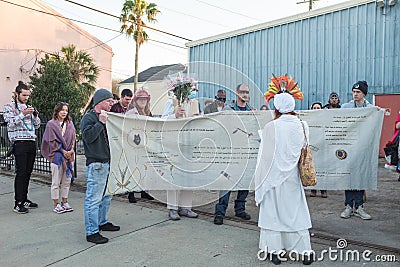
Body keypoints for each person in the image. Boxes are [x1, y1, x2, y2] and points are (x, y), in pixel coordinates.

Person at [255, 92, 313, 265]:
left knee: (272, 214)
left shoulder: (271, 127)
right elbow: (302, 146)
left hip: (273, 178)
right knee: (296, 213)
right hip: (292, 178)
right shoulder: (303, 125)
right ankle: (304, 252)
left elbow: (264, 156)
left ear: (277, 107)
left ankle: (275, 252)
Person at [81, 88, 120, 244]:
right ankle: (91, 232)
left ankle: (102, 221)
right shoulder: (89, 118)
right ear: (100, 102)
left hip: (108, 162)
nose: (111, 104)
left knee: (106, 196)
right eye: (109, 101)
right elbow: (88, 137)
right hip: (97, 164)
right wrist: (100, 122)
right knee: (93, 199)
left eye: (112, 101)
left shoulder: (108, 117)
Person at [213, 84, 253, 225]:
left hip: (246, 151)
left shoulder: (251, 111)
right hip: (231, 152)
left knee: (245, 181)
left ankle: (240, 209)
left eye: (247, 92)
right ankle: (220, 212)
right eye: (242, 92)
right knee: (227, 182)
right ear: (236, 93)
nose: (245, 94)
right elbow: (222, 127)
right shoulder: (228, 109)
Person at [161, 88, 199, 221]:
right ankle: (172, 208)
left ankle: (186, 207)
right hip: (174, 144)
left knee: (189, 176)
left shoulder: (195, 103)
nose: (190, 92)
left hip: (189, 144)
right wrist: (174, 116)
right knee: (174, 176)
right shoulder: (171, 103)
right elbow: (162, 120)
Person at [3, 81, 41, 214]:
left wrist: (35, 116)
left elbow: (36, 126)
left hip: (31, 142)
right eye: (24, 95)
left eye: (28, 96)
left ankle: (24, 199)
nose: (26, 98)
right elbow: (10, 124)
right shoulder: (9, 107)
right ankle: (18, 203)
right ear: (17, 94)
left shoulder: (29, 107)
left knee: (28, 173)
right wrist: (23, 113)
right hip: (19, 143)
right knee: (21, 173)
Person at [340, 81, 372, 220]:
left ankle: (359, 206)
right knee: (349, 175)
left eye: (358, 92)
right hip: (349, 147)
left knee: (360, 176)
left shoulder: (370, 108)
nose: (355, 94)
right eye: (353, 91)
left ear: (364, 94)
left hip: (363, 148)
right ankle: (348, 206)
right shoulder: (345, 107)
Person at [41, 102, 76, 214]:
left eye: (66, 110)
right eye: (62, 110)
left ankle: (64, 202)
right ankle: (56, 204)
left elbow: (74, 138)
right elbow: (50, 141)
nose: (64, 112)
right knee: (56, 182)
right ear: (57, 111)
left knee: (67, 181)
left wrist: (70, 150)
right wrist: (62, 151)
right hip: (57, 156)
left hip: (69, 156)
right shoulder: (51, 124)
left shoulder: (70, 124)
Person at [125, 89, 155, 202]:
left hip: (145, 144)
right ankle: (131, 193)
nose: (142, 101)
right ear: (136, 101)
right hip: (133, 144)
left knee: (144, 168)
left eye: (145, 99)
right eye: (140, 99)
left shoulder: (148, 112)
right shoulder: (131, 112)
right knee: (133, 169)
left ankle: (144, 191)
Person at [309, 102, 327, 198]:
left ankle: (323, 189)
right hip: (311, 147)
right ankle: (313, 189)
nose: (316, 109)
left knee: (322, 168)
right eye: (314, 107)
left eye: (318, 108)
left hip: (322, 147)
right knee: (313, 168)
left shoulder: (325, 119)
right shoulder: (308, 120)